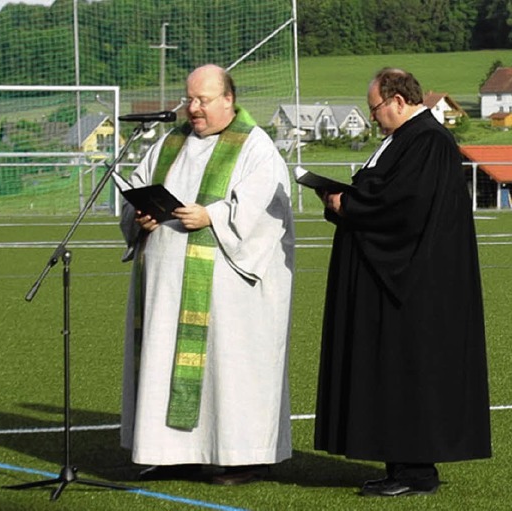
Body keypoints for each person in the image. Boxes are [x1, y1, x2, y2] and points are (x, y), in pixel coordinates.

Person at [313, 67, 491, 497]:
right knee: (391, 372)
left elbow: (405, 206)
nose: (373, 116)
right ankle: (398, 465)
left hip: (413, 286)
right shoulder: (403, 140)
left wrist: (348, 203)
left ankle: (416, 471)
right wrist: (345, 201)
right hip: (391, 281)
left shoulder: (428, 141)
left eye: (374, 107)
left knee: (411, 371)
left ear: (396, 100)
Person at [119, 64, 295, 485]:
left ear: (228, 99)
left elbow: (267, 209)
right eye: (190, 99)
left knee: (229, 369)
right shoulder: (169, 143)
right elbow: (137, 186)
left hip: (229, 294)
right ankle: (170, 452)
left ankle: (245, 457)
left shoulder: (255, 146)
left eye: (203, 100)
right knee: (163, 361)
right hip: (165, 287)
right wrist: (139, 216)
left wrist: (211, 215)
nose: (193, 109)